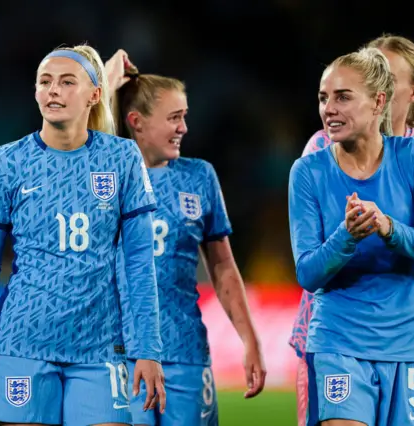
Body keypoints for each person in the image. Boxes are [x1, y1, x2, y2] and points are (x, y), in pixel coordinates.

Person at [0, 44, 166, 426]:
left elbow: (139, 264)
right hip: (24, 342)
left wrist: (149, 349)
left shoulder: (122, 159)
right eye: (45, 82)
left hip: (101, 346)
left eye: (68, 82)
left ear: (95, 94)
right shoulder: (7, 162)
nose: (53, 90)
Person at [289, 34, 414, 426]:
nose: (328, 109)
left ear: (379, 102)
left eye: (343, 97)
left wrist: (388, 227)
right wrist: (346, 236)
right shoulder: (309, 167)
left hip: (410, 342)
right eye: (323, 98)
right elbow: (307, 273)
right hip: (337, 341)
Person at [105, 50, 266, 425]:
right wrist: (105, 84)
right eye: (174, 118)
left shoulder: (200, 176)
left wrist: (250, 339)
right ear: (136, 122)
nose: (184, 128)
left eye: (185, 117)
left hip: (186, 352)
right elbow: (71, 137)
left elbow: (223, 267)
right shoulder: (107, 174)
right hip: (120, 352)